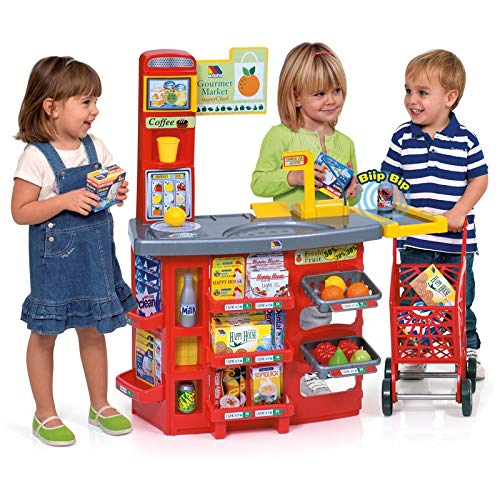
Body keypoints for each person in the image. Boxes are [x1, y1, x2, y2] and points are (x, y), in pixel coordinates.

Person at [12, 56, 137, 446]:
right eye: (85, 102)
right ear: (51, 107)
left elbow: (106, 187)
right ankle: (44, 413)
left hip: (95, 257)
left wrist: (116, 192)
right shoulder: (36, 157)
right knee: (44, 334)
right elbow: (20, 211)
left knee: (93, 329)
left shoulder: (95, 147)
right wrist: (64, 200)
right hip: (55, 263)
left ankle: (99, 404)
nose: (94, 110)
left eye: (95, 101)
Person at [381, 49, 488, 379]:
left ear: (449, 98)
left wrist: (459, 211)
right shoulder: (402, 138)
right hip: (416, 241)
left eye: (422, 92)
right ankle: (417, 348)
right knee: (418, 299)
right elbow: (388, 179)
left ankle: (467, 347)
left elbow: (479, 179)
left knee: (459, 298)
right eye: (408, 90)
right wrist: (391, 202)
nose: (412, 99)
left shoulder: (465, 140)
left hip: (455, 242)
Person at [251, 42, 360, 210]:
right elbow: (258, 184)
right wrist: (294, 177)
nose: (331, 100)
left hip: (333, 225)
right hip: (290, 226)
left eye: (336, 90)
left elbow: (353, 200)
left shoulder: (346, 143)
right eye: (320, 94)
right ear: (296, 98)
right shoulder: (280, 136)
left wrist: (352, 190)